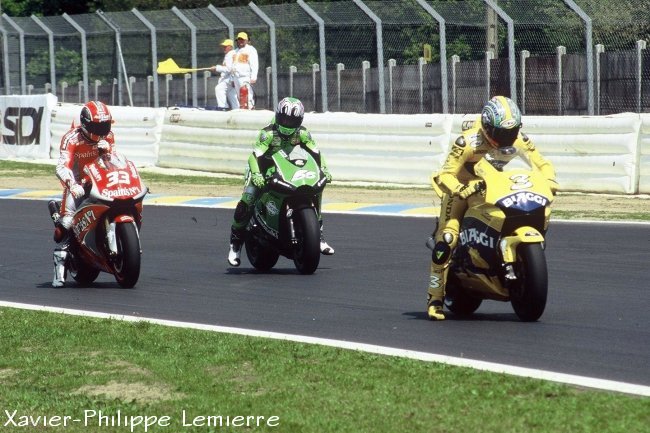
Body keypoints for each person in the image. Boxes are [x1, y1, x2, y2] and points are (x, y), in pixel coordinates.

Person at [426, 96, 558, 320]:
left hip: (492, 186)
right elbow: (445, 174)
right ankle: (435, 299)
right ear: (487, 128)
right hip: (462, 192)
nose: (507, 138)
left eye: (511, 132)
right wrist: (460, 188)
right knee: (447, 239)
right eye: (501, 133)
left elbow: (542, 164)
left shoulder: (519, 139)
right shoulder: (467, 142)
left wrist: (550, 181)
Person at [227, 97, 334, 267]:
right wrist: (256, 174)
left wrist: (325, 169)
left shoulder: (303, 134)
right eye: (284, 119)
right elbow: (254, 157)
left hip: (289, 169)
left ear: (300, 121)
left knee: (315, 189)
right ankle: (235, 244)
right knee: (248, 199)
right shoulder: (268, 134)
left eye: (292, 121)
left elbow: (316, 153)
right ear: (278, 116)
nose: (288, 124)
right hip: (263, 168)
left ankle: (318, 236)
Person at [51, 101, 114, 287]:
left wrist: (108, 151)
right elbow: (61, 166)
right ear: (85, 124)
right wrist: (72, 184)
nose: (102, 131)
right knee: (64, 227)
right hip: (78, 184)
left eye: (105, 126)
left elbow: (113, 163)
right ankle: (60, 267)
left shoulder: (109, 136)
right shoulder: (71, 138)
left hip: (99, 182)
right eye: (97, 127)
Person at [231, 31, 258, 110]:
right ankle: (243, 112)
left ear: (246, 40)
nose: (240, 41)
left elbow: (254, 64)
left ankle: (250, 110)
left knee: (248, 96)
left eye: (242, 39)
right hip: (236, 77)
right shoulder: (235, 51)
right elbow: (233, 65)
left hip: (245, 77)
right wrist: (232, 79)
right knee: (240, 98)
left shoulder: (250, 49)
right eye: (239, 39)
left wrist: (253, 77)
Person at [212, 38, 237, 110]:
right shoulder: (231, 54)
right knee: (232, 95)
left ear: (230, 47)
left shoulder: (230, 54)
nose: (224, 48)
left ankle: (223, 107)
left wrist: (217, 68)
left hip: (229, 78)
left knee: (219, 89)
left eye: (225, 46)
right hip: (231, 79)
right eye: (223, 46)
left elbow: (229, 69)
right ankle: (237, 109)